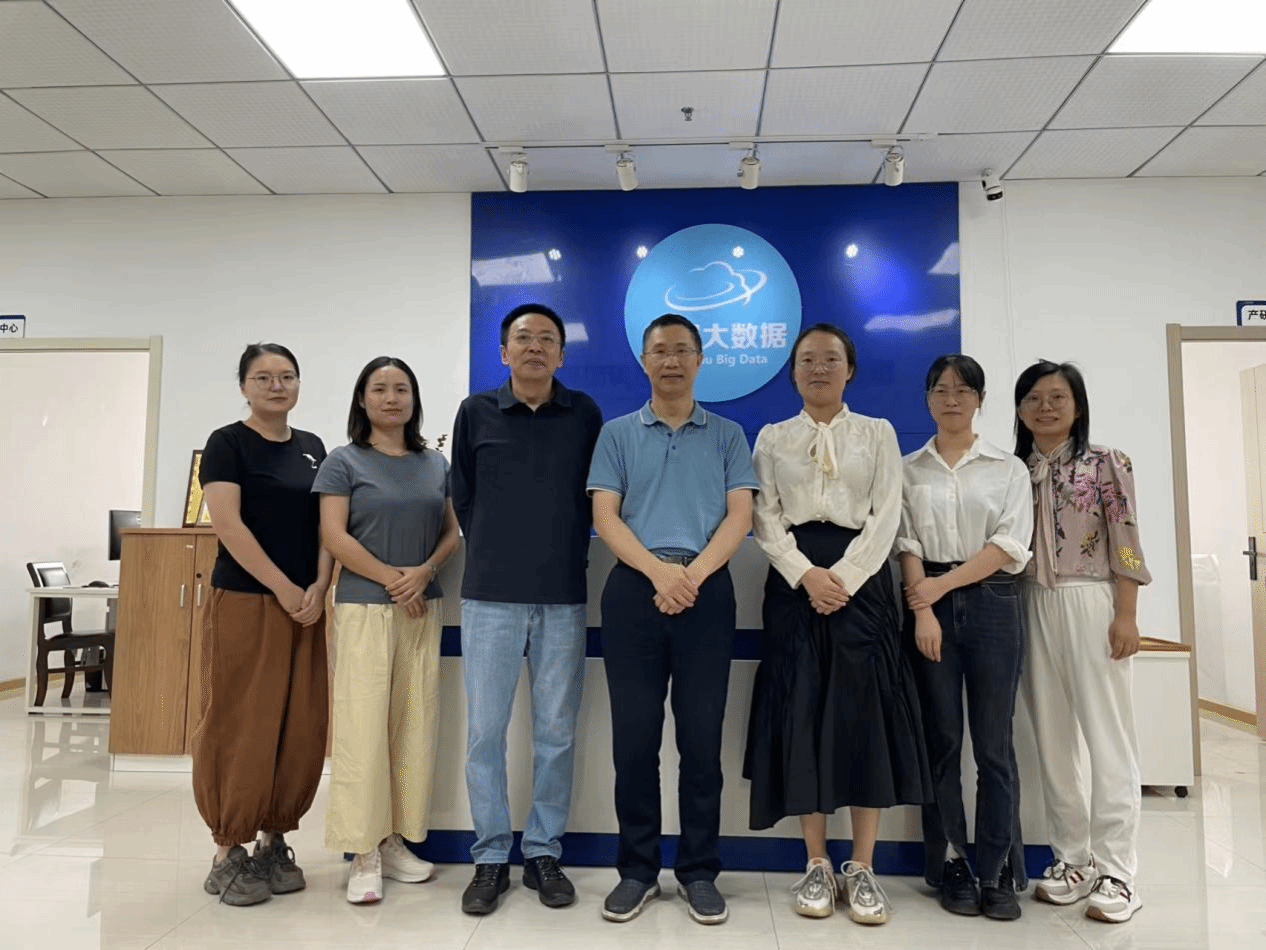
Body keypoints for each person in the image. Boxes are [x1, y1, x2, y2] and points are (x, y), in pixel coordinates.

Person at [745, 322, 930, 925]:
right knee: (802, 709)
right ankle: (817, 863)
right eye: (807, 360)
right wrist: (806, 574)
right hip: (794, 583)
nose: (818, 369)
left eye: (830, 359)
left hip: (863, 583)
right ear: (792, 372)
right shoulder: (772, 437)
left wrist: (843, 578)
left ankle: (863, 867)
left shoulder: (877, 433)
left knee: (862, 714)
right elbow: (764, 517)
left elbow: (887, 514)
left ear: (850, 369)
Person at [588, 313, 758, 926]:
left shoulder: (728, 435)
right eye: (660, 350)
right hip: (635, 592)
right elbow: (606, 516)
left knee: (701, 742)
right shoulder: (616, 434)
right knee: (634, 742)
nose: (671, 361)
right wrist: (660, 574)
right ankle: (637, 871)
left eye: (683, 350)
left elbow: (740, 516)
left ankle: (698, 871)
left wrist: (691, 575)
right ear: (644, 360)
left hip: (705, 594)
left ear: (700, 359)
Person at [450, 303, 602, 915]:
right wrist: (496, 547)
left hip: (562, 593)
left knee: (555, 733)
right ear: (503, 351)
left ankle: (543, 852)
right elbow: (462, 494)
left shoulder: (584, 413)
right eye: (522, 338)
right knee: (485, 733)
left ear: (561, 354)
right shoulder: (475, 412)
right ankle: (490, 856)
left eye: (546, 339)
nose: (534, 347)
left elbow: (596, 497)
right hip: (489, 595)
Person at [314, 356, 460, 904]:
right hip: (364, 609)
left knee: (412, 725)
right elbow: (334, 536)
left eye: (401, 389)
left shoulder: (434, 464)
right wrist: (393, 579)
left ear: (414, 400)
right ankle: (363, 851)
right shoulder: (343, 461)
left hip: (421, 609)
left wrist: (425, 572)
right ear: (362, 399)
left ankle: (394, 840)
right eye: (379, 389)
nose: (391, 398)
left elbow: (451, 532)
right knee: (362, 728)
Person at [895, 354, 1033, 921]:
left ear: (979, 399)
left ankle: (997, 869)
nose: (951, 399)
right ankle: (951, 861)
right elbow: (905, 542)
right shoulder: (907, 468)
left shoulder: (1008, 467)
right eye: (940, 389)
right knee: (943, 741)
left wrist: (939, 587)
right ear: (927, 398)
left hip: (994, 602)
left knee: (995, 746)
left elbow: (1010, 545)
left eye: (963, 390)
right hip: (927, 607)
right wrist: (923, 609)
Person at [193, 342, 332, 907]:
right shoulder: (227, 443)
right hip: (249, 600)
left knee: (299, 722)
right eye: (263, 377)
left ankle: (274, 839)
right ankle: (227, 848)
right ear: (244, 386)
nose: (277, 386)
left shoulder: (314, 447)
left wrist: (320, 585)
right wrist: (282, 586)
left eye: (287, 376)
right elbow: (228, 525)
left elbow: (328, 525)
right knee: (241, 720)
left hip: (306, 605)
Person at [1014, 360, 1150, 924]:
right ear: (1019, 408)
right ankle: (1073, 859)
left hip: (1091, 599)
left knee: (1108, 736)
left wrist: (1126, 614)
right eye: (1034, 398)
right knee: (1052, 740)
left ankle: (1119, 871)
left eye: (1058, 397)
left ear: (1077, 406)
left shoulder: (1105, 462)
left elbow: (1126, 539)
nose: (1046, 407)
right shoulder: (1014, 469)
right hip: (1029, 601)